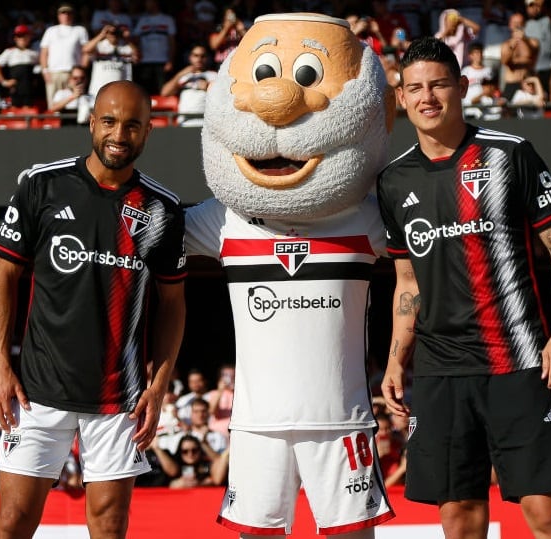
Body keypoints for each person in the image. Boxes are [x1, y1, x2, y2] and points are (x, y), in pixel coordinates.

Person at [187, 12, 395, 537]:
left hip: (342, 420)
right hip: (256, 422)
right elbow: (142, 238)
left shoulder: (368, 215)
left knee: (353, 535)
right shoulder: (223, 219)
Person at [378, 36, 551, 539]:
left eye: (439, 84)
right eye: (415, 88)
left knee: (545, 513)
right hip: (440, 370)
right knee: (459, 518)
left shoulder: (511, 154)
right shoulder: (392, 181)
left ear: (463, 87)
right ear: (401, 98)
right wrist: (394, 357)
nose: (427, 97)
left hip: (519, 362)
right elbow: (408, 281)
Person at [0, 80, 187, 539]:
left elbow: (173, 304)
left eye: (133, 125)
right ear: (92, 122)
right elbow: (3, 277)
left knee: (110, 526)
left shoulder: (162, 210)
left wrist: (159, 386)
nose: (120, 133)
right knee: (13, 522)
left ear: (148, 132)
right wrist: (0, 364)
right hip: (36, 391)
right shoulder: (42, 184)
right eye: (111, 121)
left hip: (119, 398)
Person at [39, 3, 89, 109]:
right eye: (63, 13)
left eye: (69, 13)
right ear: (58, 15)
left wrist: (82, 70)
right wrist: (45, 71)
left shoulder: (80, 30)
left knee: (74, 103)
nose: (66, 15)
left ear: (73, 15)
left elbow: (86, 51)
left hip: (73, 75)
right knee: (53, 106)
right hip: (53, 73)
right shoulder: (50, 30)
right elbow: (44, 52)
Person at [159, 43, 216, 127]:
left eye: (202, 56)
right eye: (195, 55)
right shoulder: (183, 76)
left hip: (204, 123)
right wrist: (180, 75)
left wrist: (208, 87)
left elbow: (223, 97)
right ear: (190, 57)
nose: (199, 59)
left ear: (207, 58)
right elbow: (164, 93)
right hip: (184, 123)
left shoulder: (213, 75)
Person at [132, 0, 177, 94]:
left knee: (163, 91)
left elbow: (172, 41)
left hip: (162, 61)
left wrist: (170, 60)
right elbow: (136, 39)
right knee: (145, 91)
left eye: (149, 2)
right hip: (145, 61)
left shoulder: (167, 19)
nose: (146, 4)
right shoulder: (142, 20)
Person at [83, 23, 139, 96]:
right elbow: (86, 49)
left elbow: (138, 56)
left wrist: (126, 38)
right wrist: (101, 35)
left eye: (116, 33)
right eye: (110, 33)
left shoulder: (126, 46)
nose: (113, 35)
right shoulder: (100, 46)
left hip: (121, 90)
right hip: (99, 89)